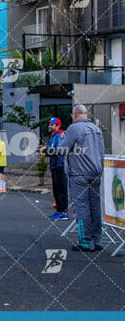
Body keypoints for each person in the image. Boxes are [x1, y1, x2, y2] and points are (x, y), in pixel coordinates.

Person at [43, 104, 105, 252]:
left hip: (79, 173)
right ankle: (97, 240)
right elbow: (101, 152)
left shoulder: (74, 128)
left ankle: (85, 242)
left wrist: (46, 150)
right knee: (95, 207)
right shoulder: (96, 129)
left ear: (75, 114)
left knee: (80, 207)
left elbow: (62, 150)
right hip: (96, 173)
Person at [44, 118, 68, 220]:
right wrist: (44, 149)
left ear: (57, 126)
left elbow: (58, 150)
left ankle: (63, 212)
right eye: (49, 124)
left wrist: (45, 150)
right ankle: (59, 210)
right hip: (54, 165)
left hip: (60, 165)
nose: (49, 126)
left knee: (61, 189)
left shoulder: (60, 135)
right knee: (56, 189)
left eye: (52, 124)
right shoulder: (53, 136)